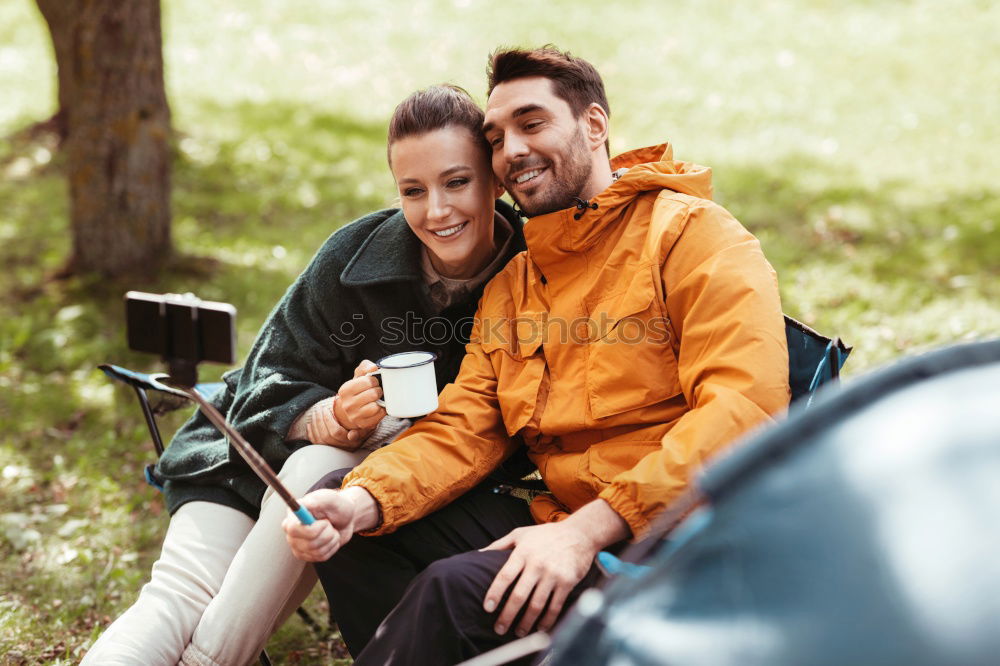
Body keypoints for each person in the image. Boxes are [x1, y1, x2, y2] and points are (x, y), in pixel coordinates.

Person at [283, 46, 792, 665]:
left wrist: (585, 532)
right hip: (563, 523)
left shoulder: (693, 235)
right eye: (496, 138)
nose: (512, 151)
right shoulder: (517, 284)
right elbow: (464, 429)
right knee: (359, 520)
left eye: (532, 123)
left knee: (451, 590)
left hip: (675, 540)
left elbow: (745, 412)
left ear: (595, 125)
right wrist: (361, 501)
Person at [82, 84, 526, 666]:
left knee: (321, 473)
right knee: (179, 593)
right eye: (412, 191)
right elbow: (265, 379)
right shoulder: (355, 255)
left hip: (364, 493)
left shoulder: (533, 272)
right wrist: (331, 417)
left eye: (457, 182)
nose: (436, 211)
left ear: (494, 178)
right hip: (238, 458)